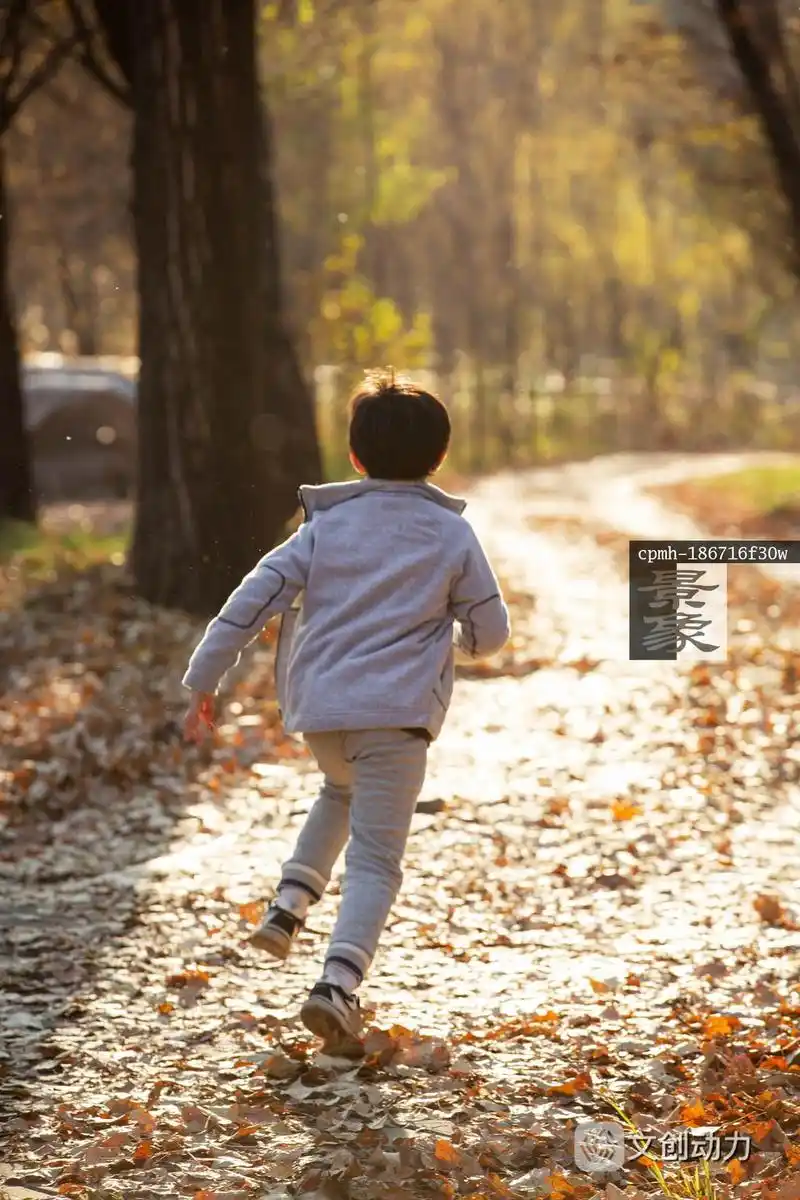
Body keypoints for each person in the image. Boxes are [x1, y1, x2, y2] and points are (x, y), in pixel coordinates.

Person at [182, 368, 510, 1055]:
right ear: (439, 457)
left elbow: (251, 599)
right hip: (395, 719)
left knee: (338, 787)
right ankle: (336, 986)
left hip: (322, 715)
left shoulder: (324, 529)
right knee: (376, 861)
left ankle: (288, 906)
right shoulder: (451, 537)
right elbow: (491, 630)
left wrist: (204, 680)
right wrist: (464, 640)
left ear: (356, 457)